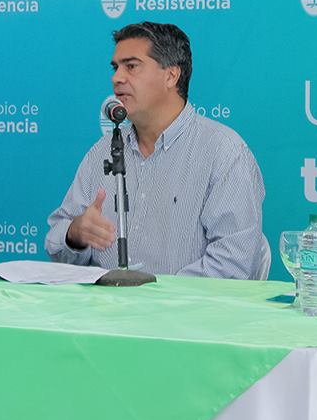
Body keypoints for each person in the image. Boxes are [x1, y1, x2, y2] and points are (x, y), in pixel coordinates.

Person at [46, 22, 267, 279]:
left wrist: (152, 299)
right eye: (115, 67)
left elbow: (232, 265)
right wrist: (75, 234)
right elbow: (56, 244)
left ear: (171, 76)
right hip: (104, 312)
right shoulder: (102, 151)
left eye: (131, 66)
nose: (116, 78)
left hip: (183, 315)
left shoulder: (223, 152)